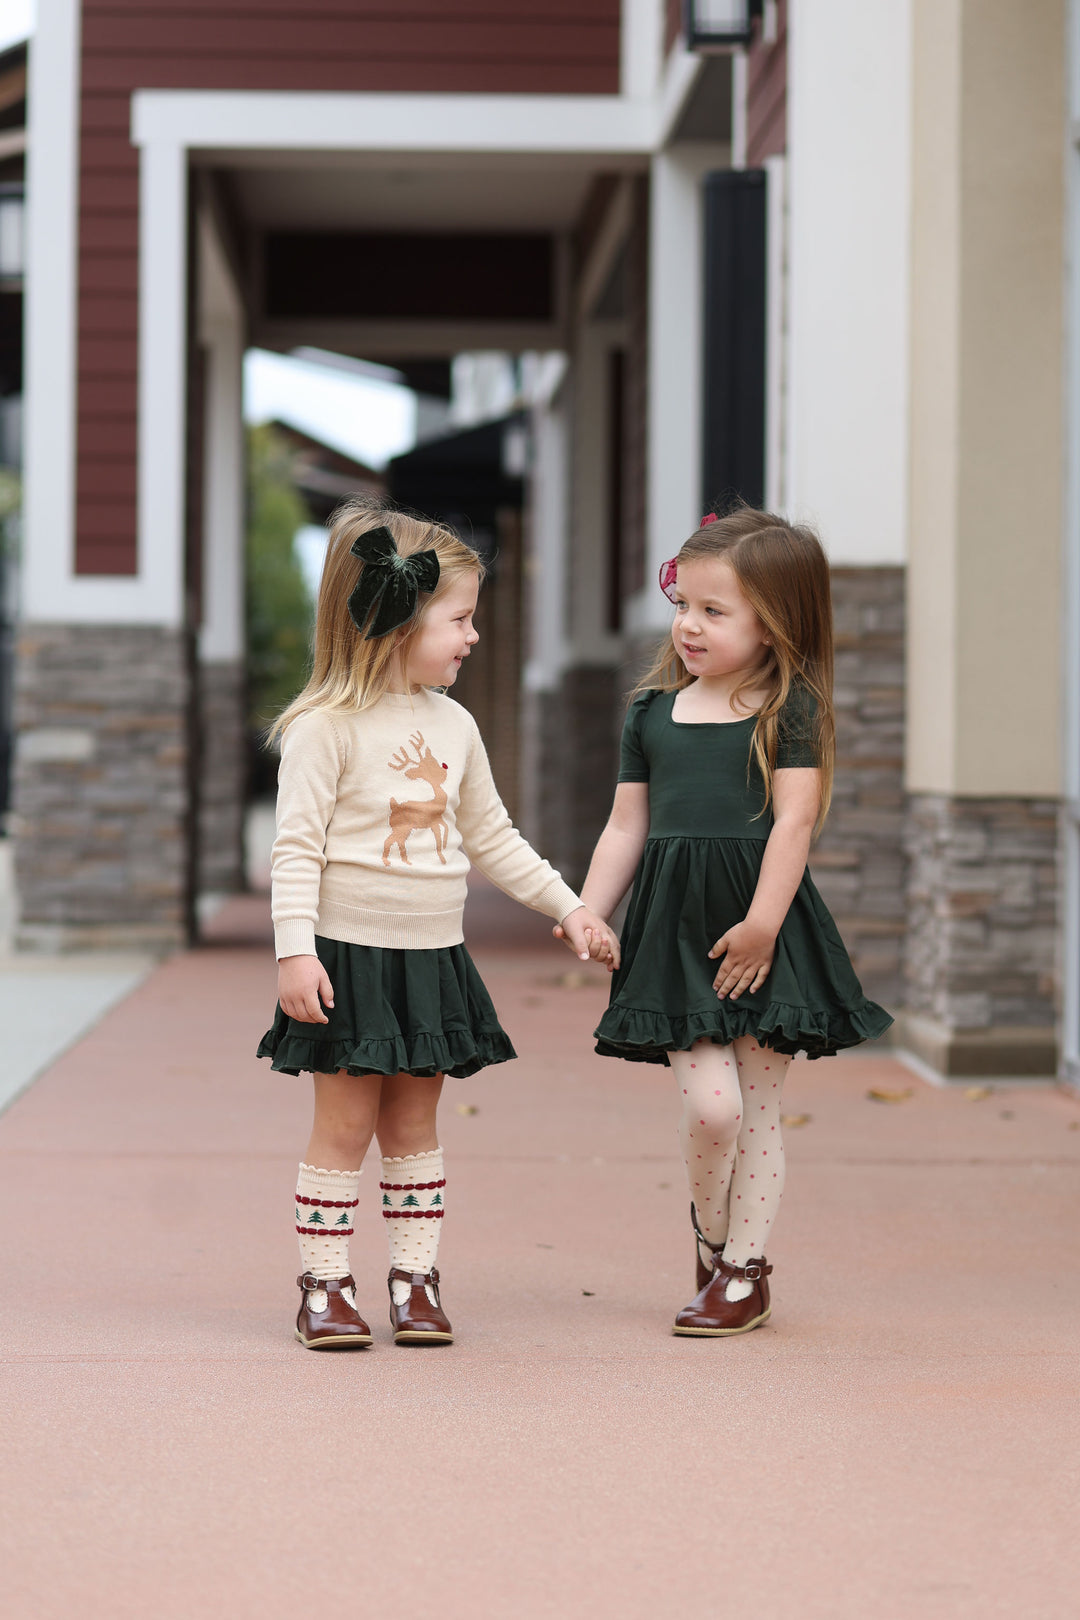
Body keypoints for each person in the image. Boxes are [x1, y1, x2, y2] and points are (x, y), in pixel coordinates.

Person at [258, 500, 617, 1350]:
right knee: (344, 1129)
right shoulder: (323, 729)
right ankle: (325, 1285)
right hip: (345, 961)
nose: (472, 638)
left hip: (431, 959)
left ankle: (415, 1281)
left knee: (415, 1128)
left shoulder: (454, 724)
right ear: (393, 620)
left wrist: (569, 905)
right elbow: (295, 851)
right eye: (458, 620)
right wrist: (293, 952)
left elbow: (492, 834)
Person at [563, 507, 891, 1337]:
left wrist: (762, 925)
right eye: (685, 606)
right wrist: (586, 908)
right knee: (713, 1108)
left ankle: (745, 1272)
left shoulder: (791, 710)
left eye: (716, 612)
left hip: (763, 932)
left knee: (760, 1107)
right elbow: (625, 827)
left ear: (773, 625)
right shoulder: (650, 714)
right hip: (675, 932)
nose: (690, 627)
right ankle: (714, 1243)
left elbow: (792, 823)